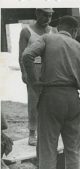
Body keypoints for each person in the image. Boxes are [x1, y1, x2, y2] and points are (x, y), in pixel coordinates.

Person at [22, 15, 80, 169]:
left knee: (47, 148)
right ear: (75, 31)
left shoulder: (46, 39)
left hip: (51, 97)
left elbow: (27, 55)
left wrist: (33, 81)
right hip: (73, 100)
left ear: (58, 27)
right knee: (73, 150)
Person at [19, 8, 55, 146]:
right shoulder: (27, 31)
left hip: (50, 68)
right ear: (37, 14)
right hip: (33, 66)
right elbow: (22, 54)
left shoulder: (54, 31)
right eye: (45, 15)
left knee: (50, 100)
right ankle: (32, 133)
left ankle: (49, 131)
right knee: (34, 102)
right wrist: (24, 72)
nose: (48, 18)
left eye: (50, 16)